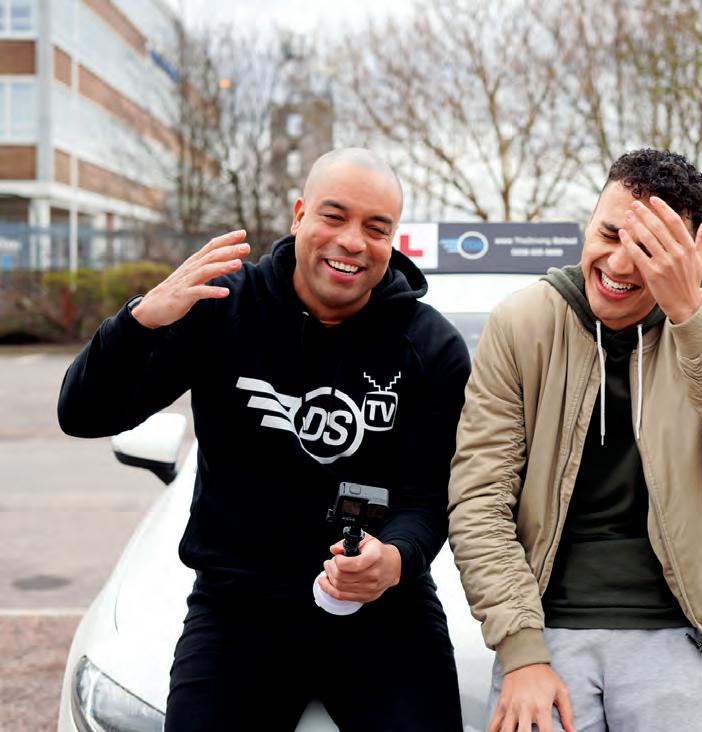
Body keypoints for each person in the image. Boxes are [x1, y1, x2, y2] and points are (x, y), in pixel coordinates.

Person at [58, 148, 470, 731]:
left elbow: (428, 498)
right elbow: (83, 414)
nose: (353, 241)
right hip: (238, 607)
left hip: (384, 611)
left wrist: (396, 557)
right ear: (299, 215)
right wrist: (139, 321)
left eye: (376, 228)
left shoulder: (431, 346)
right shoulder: (220, 307)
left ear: (392, 239)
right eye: (334, 216)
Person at [448, 149, 702, 732]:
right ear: (588, 223)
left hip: (674, 629)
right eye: (609, 233)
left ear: (688, 254)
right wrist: (522, 651)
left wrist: (688, 313)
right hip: (542, 625)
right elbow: (479, 500)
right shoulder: (521, 324)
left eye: (650, 249)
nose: (621, 262)